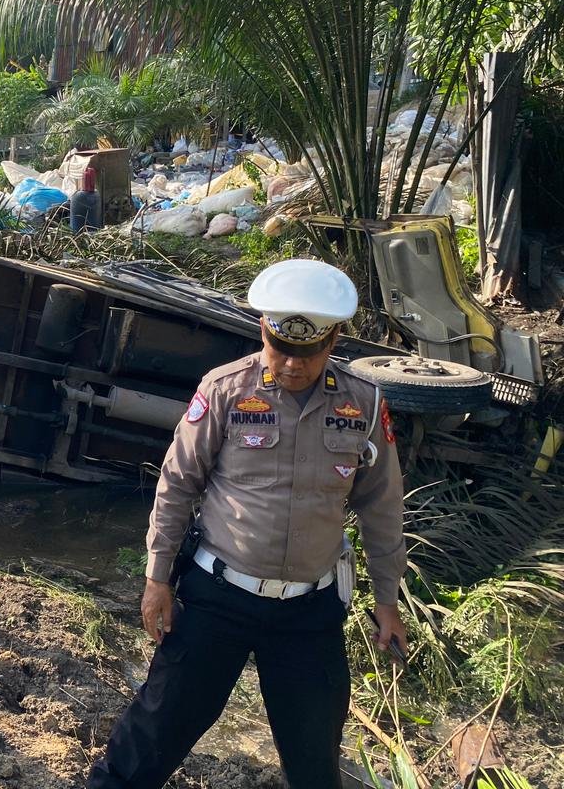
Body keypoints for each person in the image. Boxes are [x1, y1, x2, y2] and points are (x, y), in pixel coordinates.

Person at [88, 259, 408, 789]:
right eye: (281, 349)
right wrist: (157, 578)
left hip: (310, 611)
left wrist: (386, 601)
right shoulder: (225, 391)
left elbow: (382, 507)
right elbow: (177, 486)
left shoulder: (364, 404)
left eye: (307, 354)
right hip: (219, 596)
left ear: (333, 342)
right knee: (154, 731)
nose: (291, 365)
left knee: (314, 756)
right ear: (263, 330)